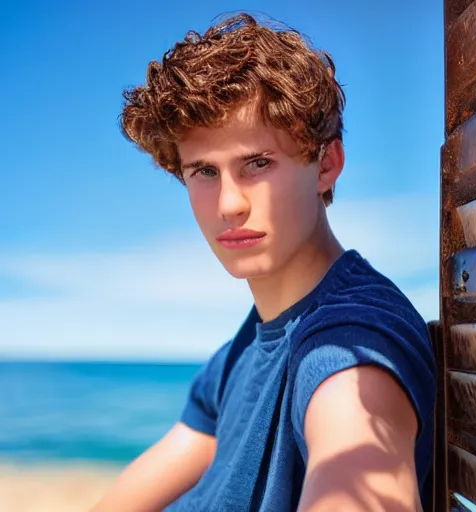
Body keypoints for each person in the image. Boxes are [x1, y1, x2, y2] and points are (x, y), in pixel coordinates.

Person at [92, 12, 436, 512]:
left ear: (326, 165)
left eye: (257, 163)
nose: (229, 204)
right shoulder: (242, 351)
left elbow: (357, 449)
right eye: (204, 171)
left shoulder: (352, 338)